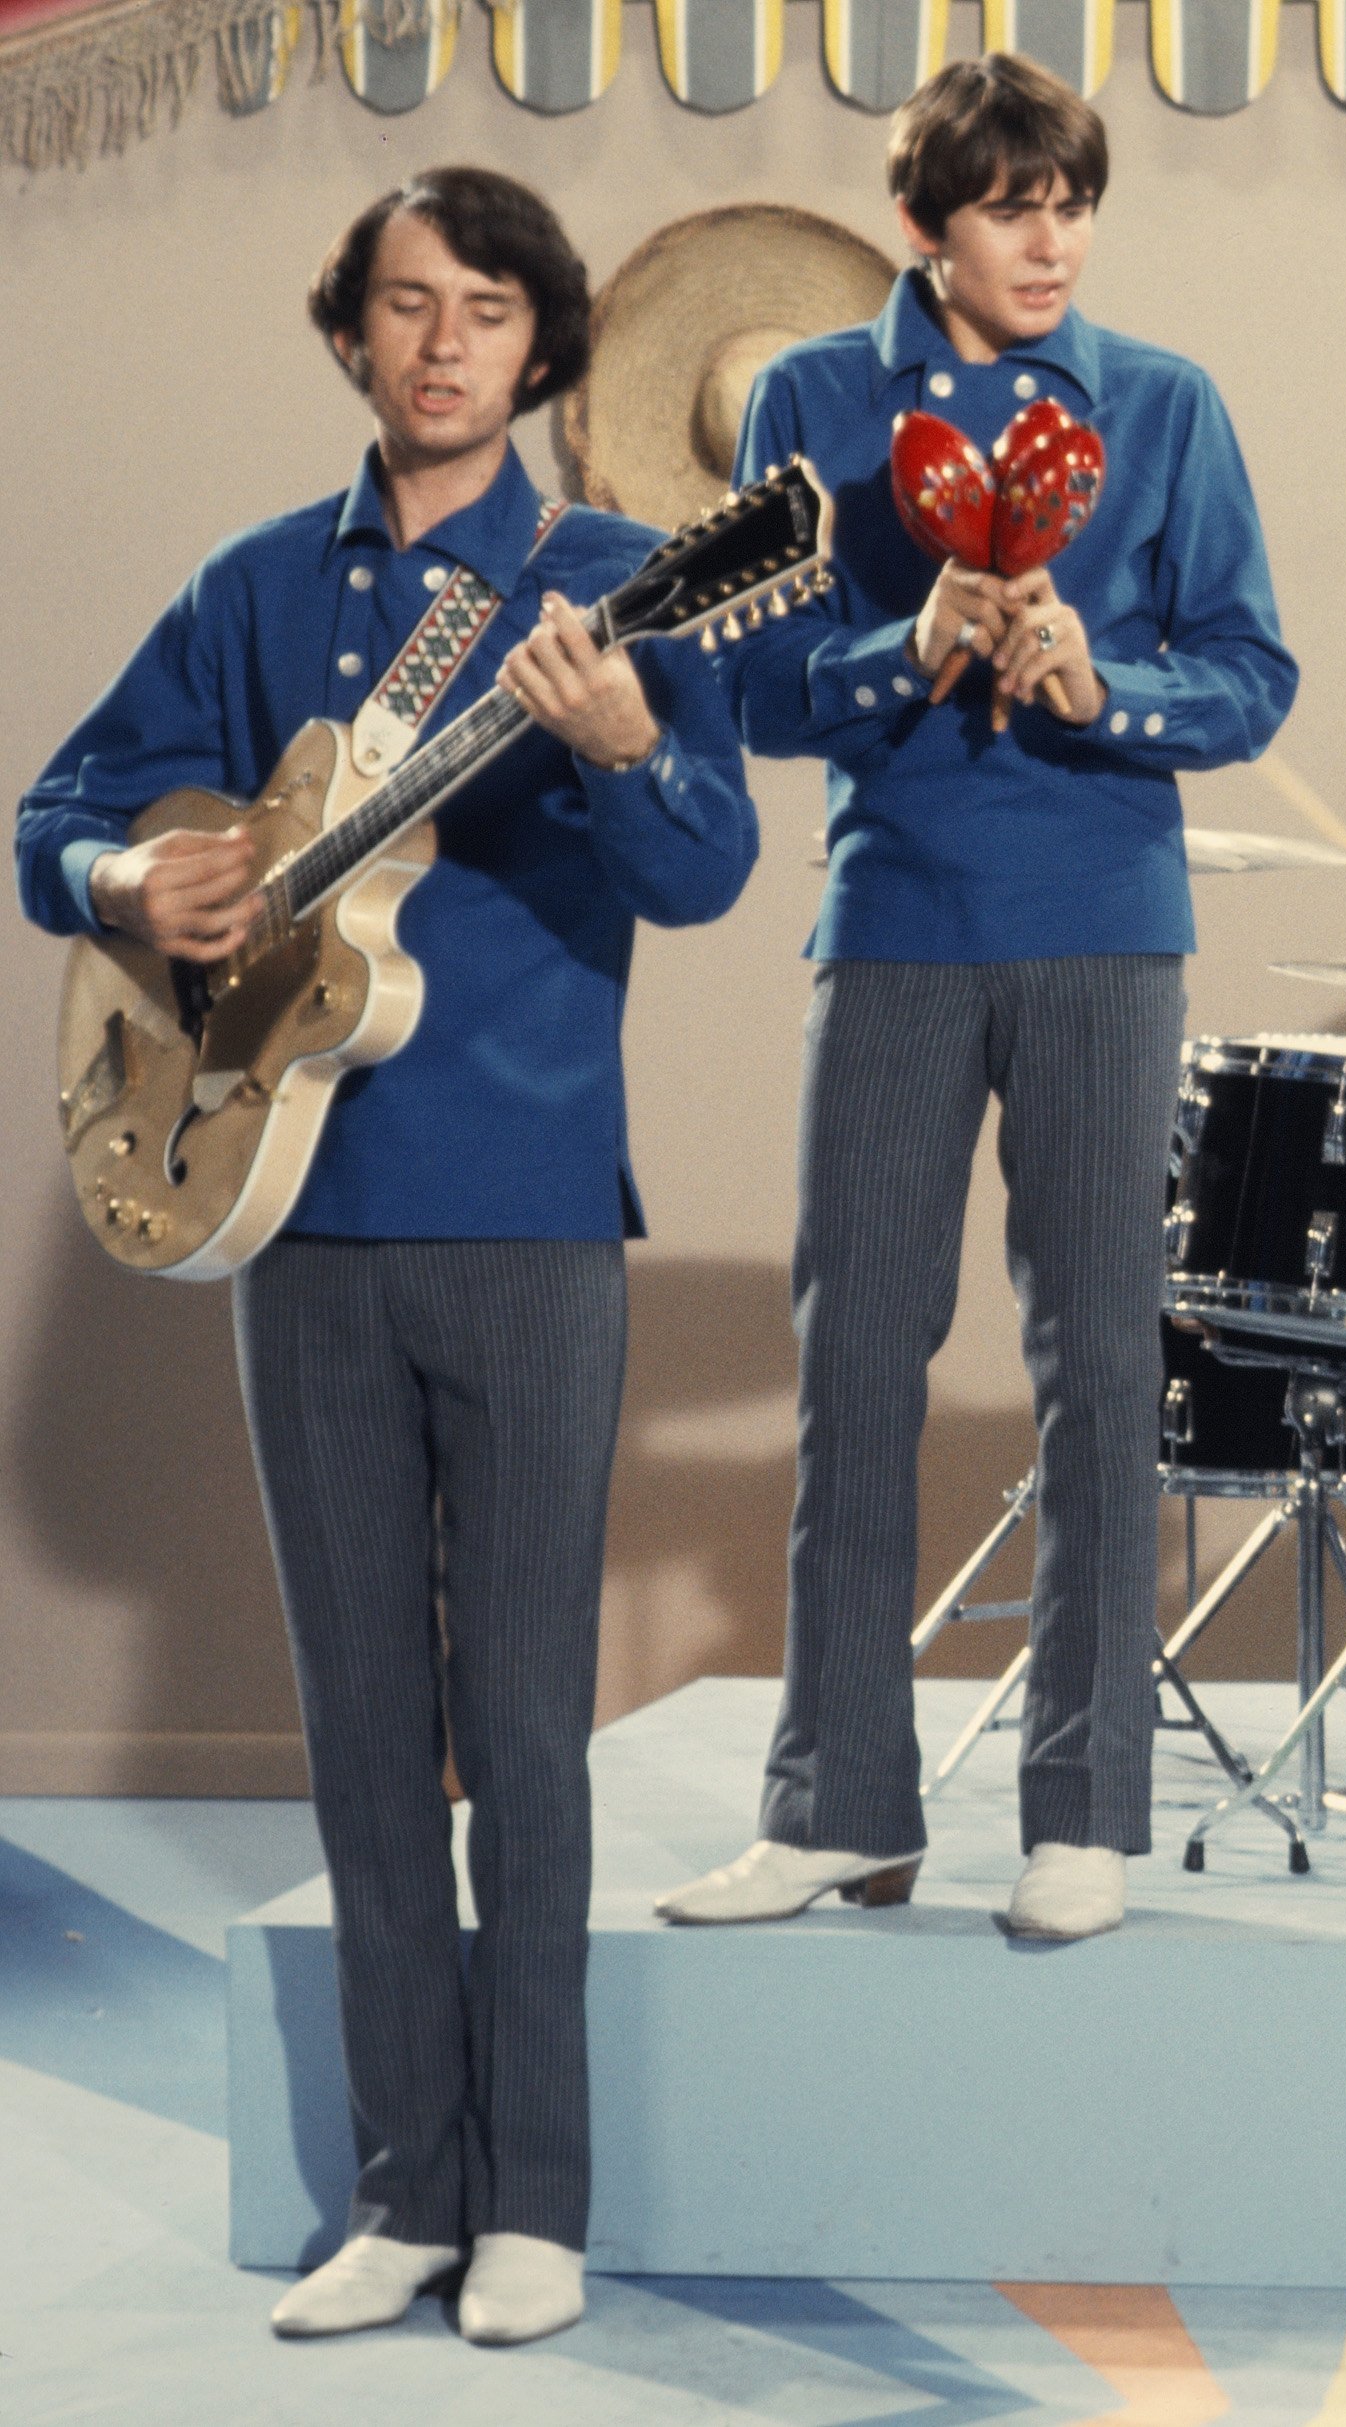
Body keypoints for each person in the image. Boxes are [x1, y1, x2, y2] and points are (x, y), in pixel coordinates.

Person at [16, 168, 759, 2345]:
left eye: (489, 310)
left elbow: (706, 863)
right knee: (358, 1728)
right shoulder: (251, 587)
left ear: (540, 350)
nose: (445, 343)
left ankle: (539, 2193)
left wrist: (622, 748)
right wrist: (131, 881)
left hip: (526, 1211)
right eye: (407, 307)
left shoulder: (615, 581)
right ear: (350, 336)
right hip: (295, 1216)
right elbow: (65, 804)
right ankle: (403, 2189)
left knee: (524, 1723)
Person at [657, 53, 1298, 1940]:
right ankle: (835, 1807)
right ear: (927, 224)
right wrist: (899, 641)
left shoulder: (1164, 405)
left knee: (1101, 1361)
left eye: (1074, 201)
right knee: (855, 1356)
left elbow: (1251, 676)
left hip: (1105, 917)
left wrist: (1118, 694)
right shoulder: (811, 397)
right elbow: (758, 700)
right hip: (896, 920)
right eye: (1013, 203)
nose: (1051, 237)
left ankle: (1082, 1814)